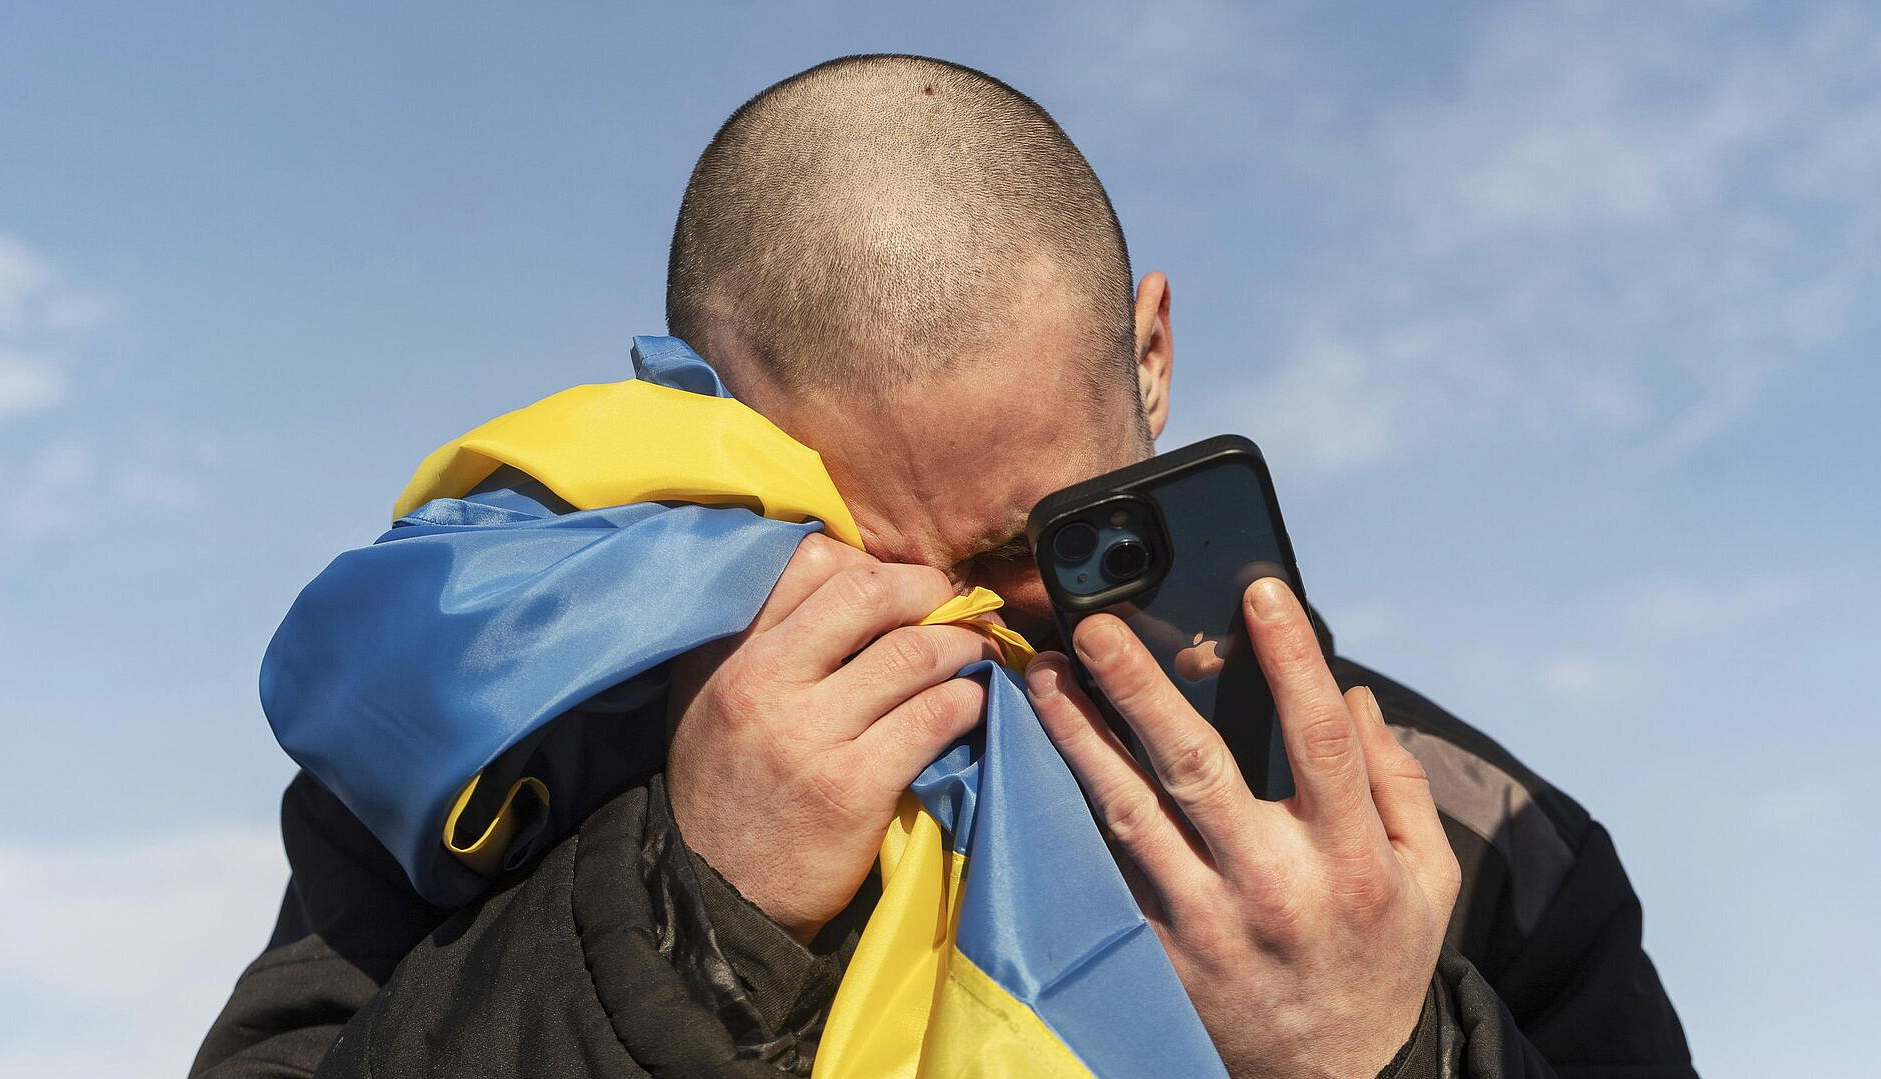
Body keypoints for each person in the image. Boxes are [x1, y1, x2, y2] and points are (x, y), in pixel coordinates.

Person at [193, 55, 1695, 1078]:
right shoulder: (505, 758)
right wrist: (684, 914)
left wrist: (1383, 1053)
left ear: (1151, 358)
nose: (960, 639)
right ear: (706, 445)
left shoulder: (1479, 840)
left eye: (1036, 548)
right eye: (841, 567)